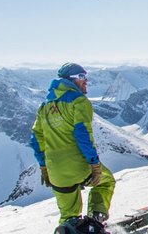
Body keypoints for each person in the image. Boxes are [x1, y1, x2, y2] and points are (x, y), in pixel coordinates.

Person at [30, 63, 115, 223]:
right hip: (79, 167)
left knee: (68, 215)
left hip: (55, 171)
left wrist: (43, 166)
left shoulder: (45, 106)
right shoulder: (79, 101)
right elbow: (82, 133)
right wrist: (94, 164)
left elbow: (36, 138)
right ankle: (96, 221)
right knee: (106, 181)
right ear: (71, 80)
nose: (86, 80)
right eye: (81, 77)